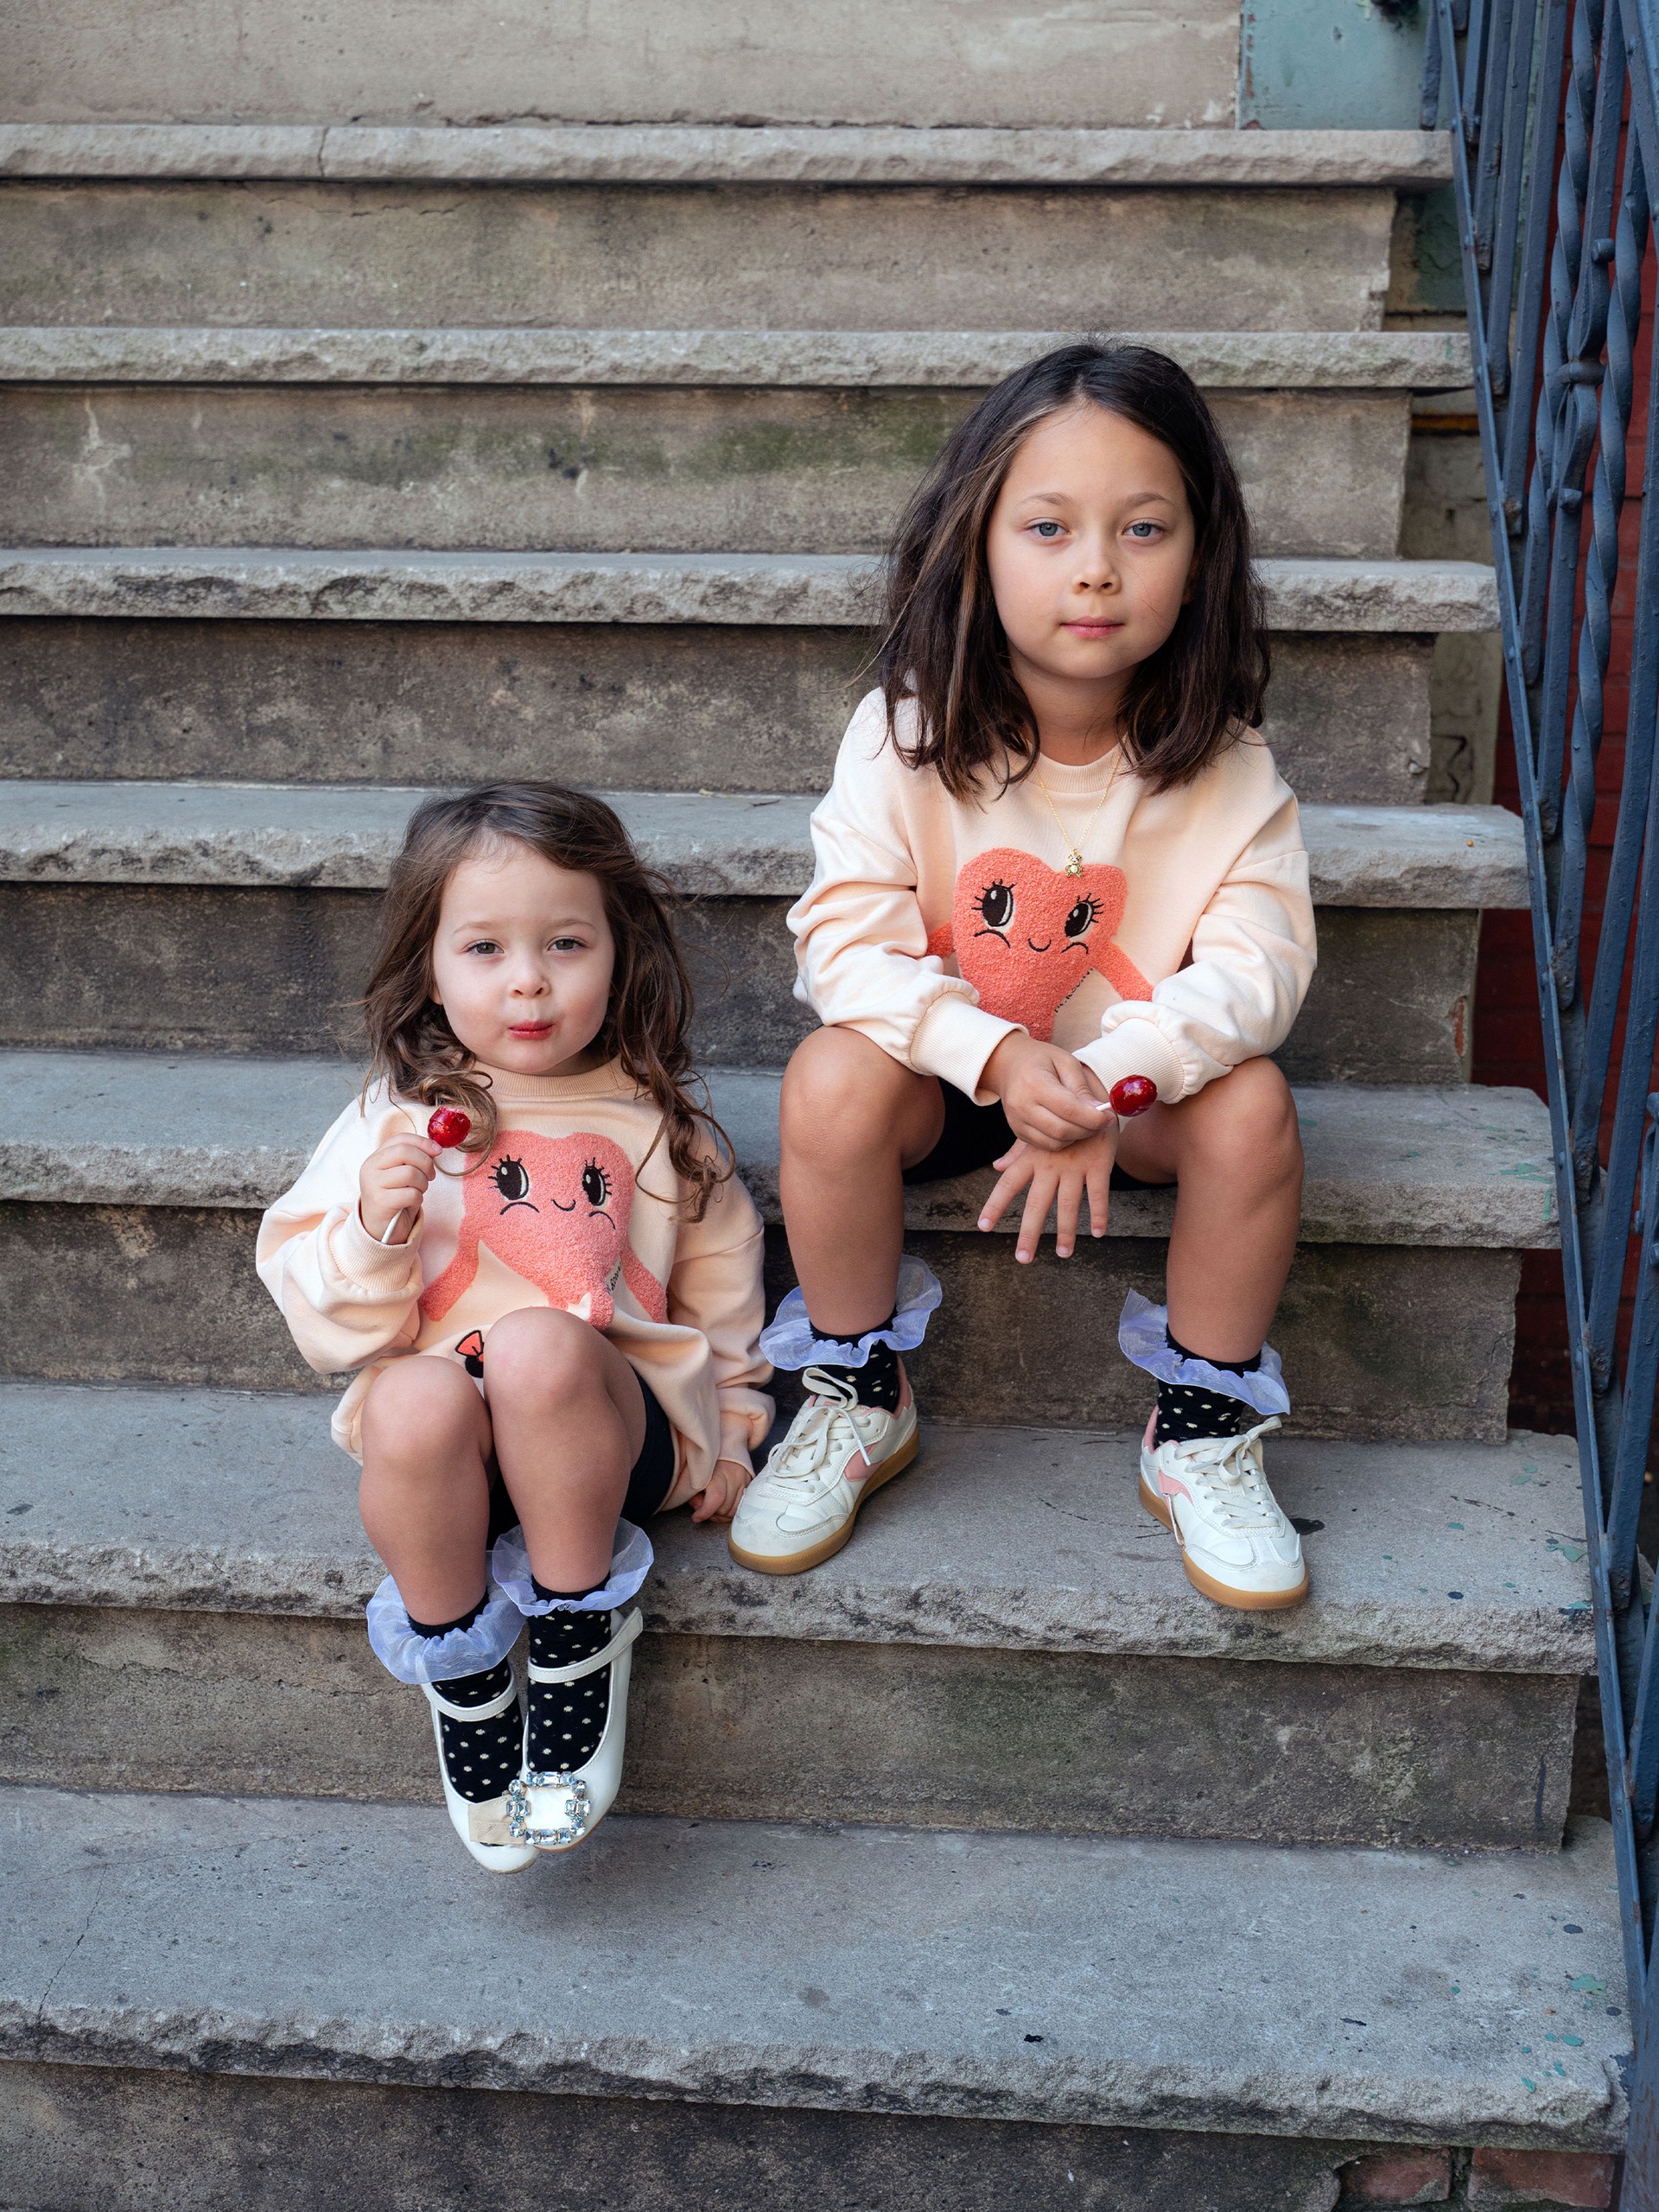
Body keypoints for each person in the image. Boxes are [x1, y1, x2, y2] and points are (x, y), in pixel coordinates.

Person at [729, 341, 1314, 1611]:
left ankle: (1204, 1425)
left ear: (1202, 553)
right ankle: (856, 1393)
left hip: (1138, 1095)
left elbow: (1260, 973)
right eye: (1049, 527)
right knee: (831, 1077)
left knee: (1257, 1105)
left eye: (1144, 527)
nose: (1097, 566)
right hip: (945, 1079)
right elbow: (841, 940)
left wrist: (1104, 1082)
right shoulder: (905, 733)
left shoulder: (1230, 770)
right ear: (978, 543)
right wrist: (995, 1057)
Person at [258, 785, 771, 1872]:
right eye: (485, 946)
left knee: (539, 1343)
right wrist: (372, 1227)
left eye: (566, 942)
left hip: (603, 1443)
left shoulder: (657, 1124)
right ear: (431, 965)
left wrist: (732, 1424)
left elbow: (723, 1293)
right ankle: (467, 1673)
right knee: (409, 1389)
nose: (528, 978)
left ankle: (581, 1637)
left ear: (621, 953)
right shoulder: (392, 1124)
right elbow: (331, 1337)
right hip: (448, 1464)